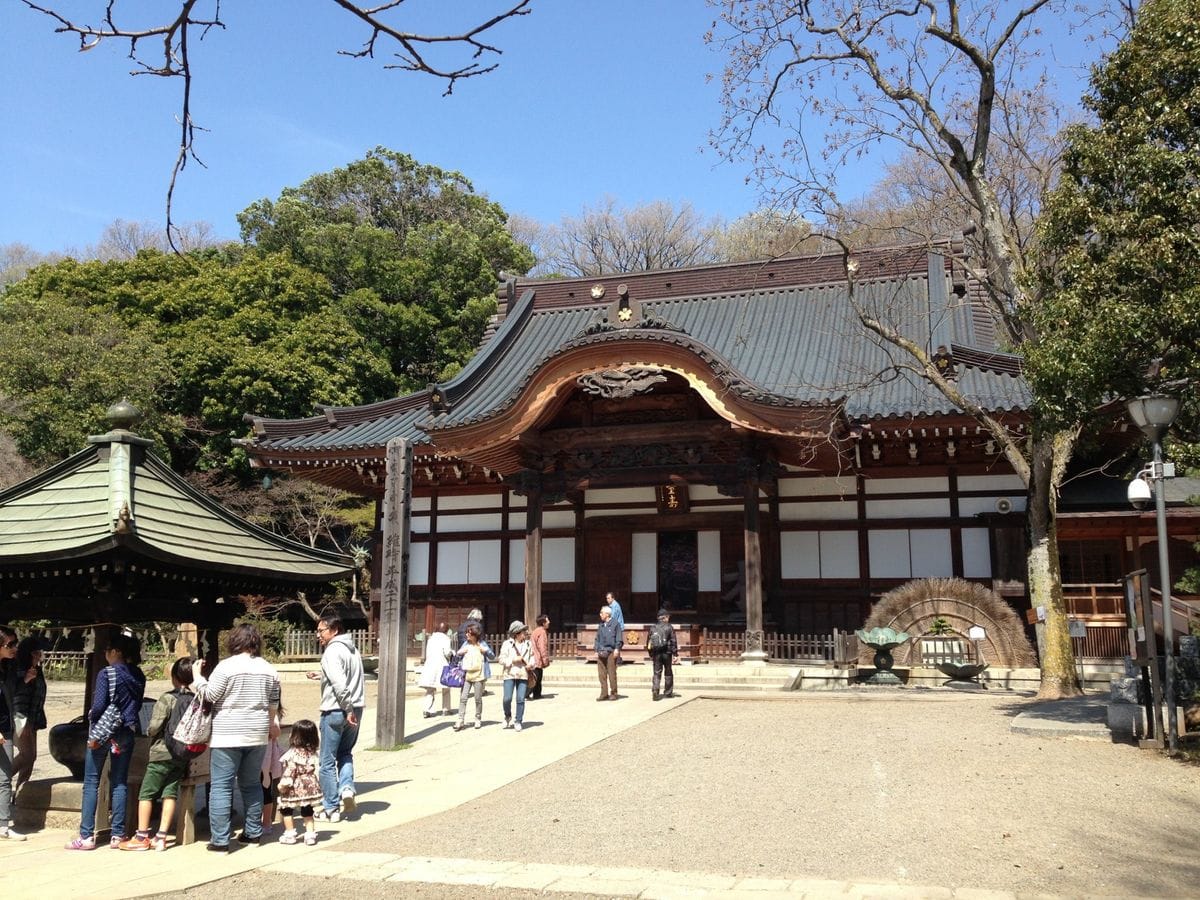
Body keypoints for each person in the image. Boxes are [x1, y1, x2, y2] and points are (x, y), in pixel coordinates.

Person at [191, 623, 281, 853]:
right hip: (257, 733)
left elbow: (210, 694)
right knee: (251, 784)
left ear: (235, 641)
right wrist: (271, 724)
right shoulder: (269, 669)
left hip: (227, 734)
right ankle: (252, 833)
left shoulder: (226, 667)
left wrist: (196, 677)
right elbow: (273, 704)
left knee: (221, 786)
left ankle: (220, 840)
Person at [66, 632, 147, 850]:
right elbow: (137, 704)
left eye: (107, 651)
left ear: (116, 652)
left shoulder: (107, 674)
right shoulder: (138, 675)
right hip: (126, 731)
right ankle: (118, 835)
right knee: (119, 781)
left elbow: (100, 705)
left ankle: (86, 836)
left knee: (91, 781)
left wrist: (92, 716)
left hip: (102, 732)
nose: (105, 655)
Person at [119, 657, 196, 851]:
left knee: (146, 793)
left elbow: (154, 727)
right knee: (170, 793)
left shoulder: (167, 698)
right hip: (182, 754)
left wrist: (147, 731)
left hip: (162, 752)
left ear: (175, 677)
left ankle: (141, 835)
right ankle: (161, 837)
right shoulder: (196, 698)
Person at [306, 614, 365, 823]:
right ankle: (347, 788)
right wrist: (320, 674)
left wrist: (346, 708)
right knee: (346, 753)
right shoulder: (353, 650)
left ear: (335, 630)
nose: (318, 635)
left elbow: (340, 684)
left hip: (336, 710)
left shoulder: (331, 651)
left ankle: (331, 808)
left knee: (327, 760)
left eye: (321, 630)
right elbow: (346, 677)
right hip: (357, 708)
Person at [12, 636, 48, 798]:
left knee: (31, 757)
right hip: (20, 716)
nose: (39, 656)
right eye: (36, 653)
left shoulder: (38, 671)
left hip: (33, 718)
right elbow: (13, 694)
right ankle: (3, 779)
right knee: (25, 754)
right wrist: (26, 679)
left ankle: (20, 792)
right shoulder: (18, 669)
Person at [276, 719, 322, 846]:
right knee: (307, 809)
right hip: (310, 784)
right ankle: (310, 834)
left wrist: (283, 784)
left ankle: (290, 834)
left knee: (286, 809)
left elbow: (291, 770)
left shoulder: (293, 753)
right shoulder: (311, 752)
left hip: (295, 785)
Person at [0, 625, 26, 841]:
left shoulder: (7, 668)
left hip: (6, 729)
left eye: (15, 644)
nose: (14, 648)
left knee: (4, 778)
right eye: (10, 645)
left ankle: (2, 825)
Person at [452, 624, 494, 731]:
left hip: (479, 675)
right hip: (467, 674)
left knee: (477, 698)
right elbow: (458, 654)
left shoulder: (482, 644)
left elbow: (492, 656)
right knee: (463, 697)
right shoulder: (465, 644)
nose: (467, 635)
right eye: (467, 633)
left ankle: (478, 718)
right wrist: (460, 652)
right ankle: (460, 719)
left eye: (469, 633)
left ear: (475, 635)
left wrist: (485, 651)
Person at [498, 621, 535, 731]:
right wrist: (513, 660)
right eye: (523, 631)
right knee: (507, 698)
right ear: (516, 633)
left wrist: (531, 664)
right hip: (510, 673)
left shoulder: (528, 644)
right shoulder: (507, 644)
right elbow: (501, 659)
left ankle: (518, 720)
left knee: (520, 699)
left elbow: (532, 657)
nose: (525, 633)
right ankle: (507, 715)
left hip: (523, 673)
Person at [418, 622, 453, 718]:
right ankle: (446, 709)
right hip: (442, 665)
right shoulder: (446, 639)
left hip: (430, 664)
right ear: (446, 630)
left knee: (430, 689)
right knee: (445, 688)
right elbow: (447, 652)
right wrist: (452, 653)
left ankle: (427, 709)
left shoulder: (431, 638)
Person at [647, 609, 680, 701]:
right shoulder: (669, 627)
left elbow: (649, 642)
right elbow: (673, 641)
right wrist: (675, 654)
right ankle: (668, 692)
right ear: (665, 617)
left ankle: (655, 690)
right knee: (668, 671)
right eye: (668, 617)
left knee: (657, 672)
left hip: (656, 653)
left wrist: (650, 653)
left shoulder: (653, 628)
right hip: (667, 652)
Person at [594, 605, 621, 701]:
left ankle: (614, 693)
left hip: (611, 651)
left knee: (611, 673)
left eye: (602, 612)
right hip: (601, 651)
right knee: (601, 674)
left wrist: (617, 649)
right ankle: (604, 693)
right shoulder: (601, 625)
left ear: (607, 614)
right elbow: (597, 639)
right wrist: (596, 649)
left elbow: (619, 638)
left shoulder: (615, 624)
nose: (600, 614)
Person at [529, 614, 551, 700]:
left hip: (534, 657)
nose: (549, 622)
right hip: (537, 658)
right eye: (547, 620)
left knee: (537, 676)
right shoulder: (542, 632)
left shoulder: (535, 631)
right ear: (543, 623)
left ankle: (537, 694)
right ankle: (528, 693)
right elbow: (542, 647)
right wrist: (545, 660)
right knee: (536, 677)